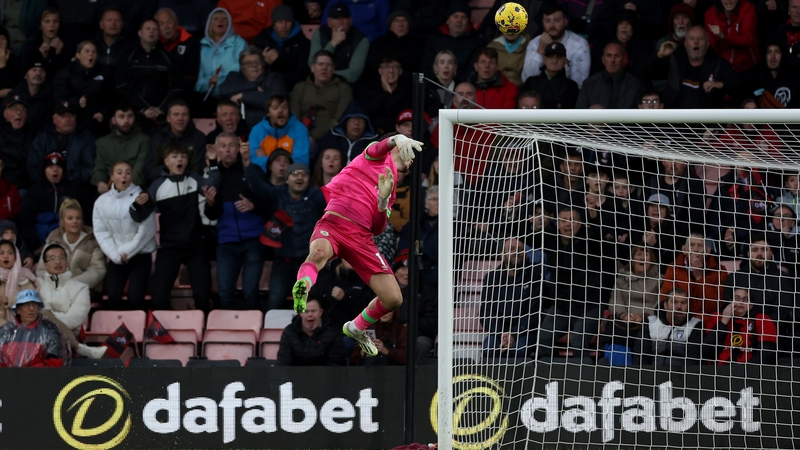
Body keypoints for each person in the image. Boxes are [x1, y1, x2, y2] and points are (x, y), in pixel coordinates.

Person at [290, 133, 423, 356]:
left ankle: (356, 327)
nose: (412, 158)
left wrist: (382, 201)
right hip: (334, 223)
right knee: (317, 255)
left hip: (361, 238)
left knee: (393, 299)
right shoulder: (371, 157)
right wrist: (396, 138)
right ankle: (303, 285)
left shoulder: (390, 189)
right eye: (409, 151)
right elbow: (378, 148)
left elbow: (378, 228)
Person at [241, 146, 326, 311]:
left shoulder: (316, 196)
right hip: (283, 262)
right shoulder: (276, 194)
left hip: (309, 262)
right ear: (287, 179)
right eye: (295, 174)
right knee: (274, 302)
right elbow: (257, 186)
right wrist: (247, 163)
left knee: (313, 303)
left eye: (304, 174)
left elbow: (336, 197)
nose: (299, 177)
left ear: (309, 179)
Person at [204, 132, 268, 310]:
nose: (227, 150)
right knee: (224, 293)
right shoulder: (213, 174)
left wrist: (253, 205)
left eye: (232, 146)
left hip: (253, 241)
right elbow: (211, 215)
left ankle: (254, 334)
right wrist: (210, 204)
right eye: (223, 146)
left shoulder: (252, 170)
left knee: (250, 292)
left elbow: (269, 202)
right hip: (226, 243)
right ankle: (229, 333)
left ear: (239, 148)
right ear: (216, 149)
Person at [148, 142, 215, 312]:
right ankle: (168, 330)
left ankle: (202, 333)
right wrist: (136, 206)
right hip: (170, 247)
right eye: (175, 156)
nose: (180, 159)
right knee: (159, 295)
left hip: (196, 245)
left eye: (183, 156)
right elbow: (139, 214)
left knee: (202, 296)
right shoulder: (157, 186)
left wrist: (213, 165)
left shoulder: (193, 179)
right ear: (166, 162)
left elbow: (213, 185)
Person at [539, 206, 603, 359]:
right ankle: (549, 376)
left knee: (578, 342)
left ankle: (583, 380)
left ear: (580, 224)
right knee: (543, 340)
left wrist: (594, 217)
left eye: (573, 220)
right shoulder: (551, 240)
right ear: (558, 224)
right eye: (564, 220)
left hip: (589, 306)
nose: (568, 224)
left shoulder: (590, 242)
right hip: (562, 306)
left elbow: (598, 237)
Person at [92, 161, 157, 310]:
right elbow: (101, 232)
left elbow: (148, 230)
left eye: (128, 172)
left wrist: (128, 250)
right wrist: (115, 255)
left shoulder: (142, 197)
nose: (124, 176)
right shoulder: (102, 202)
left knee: (135, 299)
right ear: (113, 176)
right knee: (113, 298)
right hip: (117, 256)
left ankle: (135, 330)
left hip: (140, 255)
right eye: (120, 172)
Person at [646, 25, 741, 108]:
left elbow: (738, 86)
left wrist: (720, 84)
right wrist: (659, 55)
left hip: (707, 125)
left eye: (700, 38)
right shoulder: (675, 59)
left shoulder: (717, 63)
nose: (696, 42)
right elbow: (646, 73)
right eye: (691, 38)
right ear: (685, 44)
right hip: (675, 123)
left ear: (708, 44)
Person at [36, 243, 102, 358]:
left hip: (69, 333)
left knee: (45, 313)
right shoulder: (37, 284)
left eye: (62, 258)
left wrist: (50, 318)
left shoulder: (81, 287)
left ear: (67, 263)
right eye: (52, 259)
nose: (58, 262)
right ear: (45, 265)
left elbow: (76, 318)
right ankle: (81, 348)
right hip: (39, 333)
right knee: (43, 313)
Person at [18, 153, 91, 255]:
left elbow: (87, 216)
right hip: (40, 244)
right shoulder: (34, 192)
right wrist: (36, 244)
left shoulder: (75, 190)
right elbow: (24, 221)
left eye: (58, 167)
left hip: (70, 244)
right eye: (51, 167)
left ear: (64, 170)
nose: (55, 170)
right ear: (44, 170)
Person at [479, 238, 538, 360]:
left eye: (520, 249)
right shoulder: (491, 278)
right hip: (499, 332)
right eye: (511, 249)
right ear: (502, 254)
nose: (516, 252)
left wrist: (514, 334)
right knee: (488, 349)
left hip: (525, 331)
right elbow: (486, 312)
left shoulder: (535, 274)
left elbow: (534, 312)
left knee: (519, 351)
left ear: (526, 254)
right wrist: (501, 333)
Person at [36, 198, 106, 296]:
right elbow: (41, 271)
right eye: (70, 218)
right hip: (55, 290)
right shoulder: (53, 241)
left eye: (78, 218)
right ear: (62, 222)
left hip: (85, 290)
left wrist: (72, 284)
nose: (75, 221)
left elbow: (97, 270)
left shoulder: (92, 241)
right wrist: (57, 284)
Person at [115, 19, 175, 129]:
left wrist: (161, 108)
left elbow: (176, 87)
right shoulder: (127, 55)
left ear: (159, 34)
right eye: (148, 28)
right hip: (133, 114)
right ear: (140, 33)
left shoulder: (168, 58)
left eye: (155, 29)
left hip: (160, 116)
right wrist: (143, 108)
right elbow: (122, 86)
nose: (151, 32)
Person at [661, 233, 729, 327]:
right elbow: (665, 302)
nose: (696, 250)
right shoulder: (673, 269)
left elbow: (716, 307)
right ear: (684, 250)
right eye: (691, 245)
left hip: (707, 324)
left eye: (700, 246)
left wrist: (700, 277)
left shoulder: (720, 271)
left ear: (707, 251)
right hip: (679, 321)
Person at [27, 100, 96, 187]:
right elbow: (32, 167)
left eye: (71, 115)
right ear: (54, 119)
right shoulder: (43, 139)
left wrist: (67, 184)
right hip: (46, 189)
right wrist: (48, 184)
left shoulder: (86, 138)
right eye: (63, 116)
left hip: (76, 189)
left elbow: (89, 167)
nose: (68, 119)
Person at [606, 245, 661, 351]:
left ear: (652, 259)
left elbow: (660, 303)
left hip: (649, 323)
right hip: (624, 324)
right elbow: (615, 301)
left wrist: (643, 316)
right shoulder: (621, 279)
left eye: (646, 254)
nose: (642, 258)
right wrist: (624, 315)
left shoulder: (659, 280)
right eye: (638, 254)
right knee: (616, 347)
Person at [521, 4, 590, 88]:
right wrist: (540, 50)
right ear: (543, 22)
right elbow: (527, 79)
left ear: (565, 21)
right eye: (547, 21)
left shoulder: (579, 44)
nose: (552, 25)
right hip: (539, 95)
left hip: (566, 94)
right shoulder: (534, 43)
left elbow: (579, 84)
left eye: (557, 20)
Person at [291, 50, 353, 143]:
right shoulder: (299, 87)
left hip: (331, 136)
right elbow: (294, 116)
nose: (324, 68)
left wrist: (314, 136)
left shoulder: (343, 89)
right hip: (300, 136)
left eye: (328, 65)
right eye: (320, 64)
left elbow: (339, 119)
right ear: (312, 68)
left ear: (333, 69)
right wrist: (303, 135)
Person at [53, 41, 115, 134]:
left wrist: (103, 113)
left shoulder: (104, 72)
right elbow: (60, 100)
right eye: (87, 51)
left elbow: (111, 98)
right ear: (78, 55)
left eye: (94, 52)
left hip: (97, 124)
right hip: (75, 123)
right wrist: (76, 102)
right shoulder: (65, 74)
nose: (91, 54)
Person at [219, 47, 289, 128]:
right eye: (249, 63)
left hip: (267, 126)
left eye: (257, 61)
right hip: (238, 127)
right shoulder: (234, 77)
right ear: (242, 68)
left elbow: (277, 102)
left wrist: (243, 96)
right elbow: (223, 90)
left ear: (263, 64)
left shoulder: (275, 78)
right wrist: (253, 86)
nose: (254, 65)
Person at [0, 290, 70, 367]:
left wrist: (31, 373)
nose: (31, 308)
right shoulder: (6, 331)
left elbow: (56, 362)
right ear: (18, 309)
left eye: (35, 305)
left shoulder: (50, 330)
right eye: (26, 305)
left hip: (39, 377)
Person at [709, 288, 779, 365]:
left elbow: (766, 354)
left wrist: (745, 371)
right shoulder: (717, 317)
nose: (741, 302)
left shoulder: (763, 320)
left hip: (751, 371)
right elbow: (707, 351)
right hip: (719, 370)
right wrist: (723, 322)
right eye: (737, 298)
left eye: (746, 299)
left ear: (751, 305)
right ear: (730, 301)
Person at [637, 288, 704, 367]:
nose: (679, 307)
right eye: (674, 302)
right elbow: (641, 356)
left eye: (683, 303)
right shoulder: (650, 322)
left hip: (680, 376)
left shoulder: (695, 325)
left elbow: (693, 361)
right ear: (665, 305)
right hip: (652, 374)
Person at [420, 1, 486, 79]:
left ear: (468, 23)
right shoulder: (433, 40)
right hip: (435, 85)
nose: (459, 20)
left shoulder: (477, 43)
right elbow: (426, 68)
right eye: (455, 16)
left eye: (463, 17)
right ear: (447, 20)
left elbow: (473, 70)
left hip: (463, 87)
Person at [92, 103, 150, 192]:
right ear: (113, 120)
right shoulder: (103, 143)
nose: (126, 120)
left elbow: (139, 171)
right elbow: (99, 167)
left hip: (135, 190)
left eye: (130, 116)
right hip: (109, 191)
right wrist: (99, 182)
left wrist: (123, 190)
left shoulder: (143, 140)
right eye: (121, 117)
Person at [145, 100, 207, 183]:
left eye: (184, 115)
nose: (180, 118)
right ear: (168, 118)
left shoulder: (199, 138)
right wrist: (171, 171)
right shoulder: (158, 137)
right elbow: (149, 170)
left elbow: (198, 170)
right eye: (176, 114)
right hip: (162, 185)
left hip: (189, 186)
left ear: (189, 118)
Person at [308, 2, 370, 84]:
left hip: (346, 85)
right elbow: (312, 64)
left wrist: (323, 74)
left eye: (344, 18)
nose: (340, 22)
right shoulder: (319, 33)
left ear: (350, 21)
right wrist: (333, 43)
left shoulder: (361, 40)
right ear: (329, 22)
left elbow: (353, 75)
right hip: (319, 84)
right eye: (336, 18)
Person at [252, 5, 311, 89]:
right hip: (263, 86)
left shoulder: (303, 43)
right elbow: (251, 71)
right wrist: (263, 63)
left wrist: (276, 64)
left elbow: (301, 74)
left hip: (291, 88)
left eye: (288, 21)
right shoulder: (262, 40)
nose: (283, 25)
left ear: (293, 23)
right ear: (273, 24)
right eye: (279, 21)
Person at [195, 8, 247, 100]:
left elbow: (239, 72)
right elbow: (198, 79)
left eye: (225, 18)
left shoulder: (239, 43)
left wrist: (219, 84)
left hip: (232, 95)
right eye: (216, 18)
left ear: (229, 23)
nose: (220, 20)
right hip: (207, 96)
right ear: (210, 24)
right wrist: (208, 83)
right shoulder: (202, 45)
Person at [248, 94, 310, 170]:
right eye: (275, 108)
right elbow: (253, 162)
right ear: (268, 113)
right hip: (263, 178)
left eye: (284, 107)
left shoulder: (300, 130)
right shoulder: (257, 130)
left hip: (290, 179)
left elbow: (301, 163)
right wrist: (286, 161)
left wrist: (267, 159)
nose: (280, 110)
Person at [310, 258, 376, 330]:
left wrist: (345, 298)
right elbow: (315, 298)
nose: (350, 258)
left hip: (352, 331)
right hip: (326, 331)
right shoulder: (330, 276)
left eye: (353, 256)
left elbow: (366, 311)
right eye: (347, 255)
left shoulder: (366, 280)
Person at [277, 298, 346, 366]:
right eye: (306, 311)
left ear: (320, 312)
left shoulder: (333, 333)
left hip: (325, 376)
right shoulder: (289, 332)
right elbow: (284, 362)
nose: (310, 314)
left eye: (313, 311)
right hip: (296, 376)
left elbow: (336, 363)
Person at [576, 42, 644, 109]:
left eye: (617, 56)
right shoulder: (589, 84)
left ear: (624, 60)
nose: (612, 60)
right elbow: (579, 114)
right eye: (609, 55)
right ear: (603, 60)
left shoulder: (636, 85)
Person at [355, 55, 411, 134]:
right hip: (369, 134)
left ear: (400, 71)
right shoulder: (368, 89)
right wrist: (386, 93)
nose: (391, 71)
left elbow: (402, 119)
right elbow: (367, 113)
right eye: (386, 67)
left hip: (396, 135)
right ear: (380, 71)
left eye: (395, 67)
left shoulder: (406, 93)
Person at [364, 10, 423, 79]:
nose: (400, 25)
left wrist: (400, 73)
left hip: (409, 84)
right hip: (381, 83)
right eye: (396, 21)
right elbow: (371, 66)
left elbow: (421, 72)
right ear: (390, 26)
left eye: (404, 20)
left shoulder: (418, 44)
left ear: (409, 25)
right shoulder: (379, 43)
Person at [705, 0, 760, 75]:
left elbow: (747, 40)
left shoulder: (747, 8)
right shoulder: (710, 14)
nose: (728, 1)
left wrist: (724, 36)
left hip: (748, 65)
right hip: (724, 67)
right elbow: (713, 46)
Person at [155, 8, 201, 96]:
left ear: (176, 22)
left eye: (169, 22)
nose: (166, 27)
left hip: (183, 96)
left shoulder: (191, 43)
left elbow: (191, 77)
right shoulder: (155, 45)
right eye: (161, 24)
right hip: (158, 96)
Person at [519, 42, 579, 109]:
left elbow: (566, 109)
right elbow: (522, 105)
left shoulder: (571, 86)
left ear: (565, 61)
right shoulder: (531, 81)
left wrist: (538, 105)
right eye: (550, 57)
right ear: (544, 59)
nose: (554, 61)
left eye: (559, 57)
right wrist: (555, 105)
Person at [9, 53, 53, 137]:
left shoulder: (51, 97)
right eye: (34, 70)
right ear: (26, 75)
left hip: (40, 141)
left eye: (41, 71)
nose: (38, 73)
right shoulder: (14, 94)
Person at [20, 8, 69, 78]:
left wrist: (60, 53)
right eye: (47, 21)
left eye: (56, 21)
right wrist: (40, 57)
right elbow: (24, 74)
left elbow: (69, 74)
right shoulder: (30, 46)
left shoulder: (67, 45)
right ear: (40, 25)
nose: (52, 25)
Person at [750, 41, 800, 108]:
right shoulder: (757, 81)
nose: (772, 56)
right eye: (769, 52)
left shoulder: (794, 80)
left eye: (777, 52)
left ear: (782, 55)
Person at [0, 239, 38, 324]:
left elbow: (31, 300)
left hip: (23, 322)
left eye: (10, 253)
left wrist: (9, 300)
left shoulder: (24, 275)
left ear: (16, 256)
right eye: (1, 253)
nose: (6, 256)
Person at [0, 94, 32, 188]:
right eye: (14, 108)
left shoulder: (33, 135)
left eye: (22, 109)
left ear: (26, 114)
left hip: (24, 185)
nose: (18, 112)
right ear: (5, 114)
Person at [424, 50, 458, 117]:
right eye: (442, 62)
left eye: (450, 63)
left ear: (455, 67)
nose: (446, 66)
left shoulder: (460, 88)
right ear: (435, 67)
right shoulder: (426, 88)